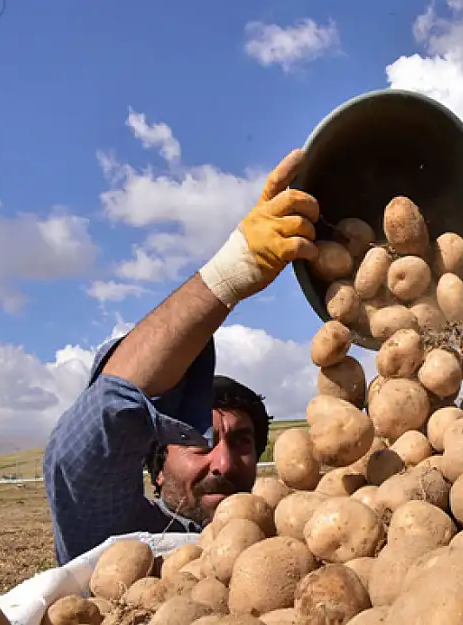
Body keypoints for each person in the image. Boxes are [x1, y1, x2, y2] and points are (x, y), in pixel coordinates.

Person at [43, 149, 320, 565]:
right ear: (156, 468)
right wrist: (232, 271)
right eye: (200, 442)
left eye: (242, 442)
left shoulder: (290, 541)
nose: (224, 464)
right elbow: (89, 440)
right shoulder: (124, 542)